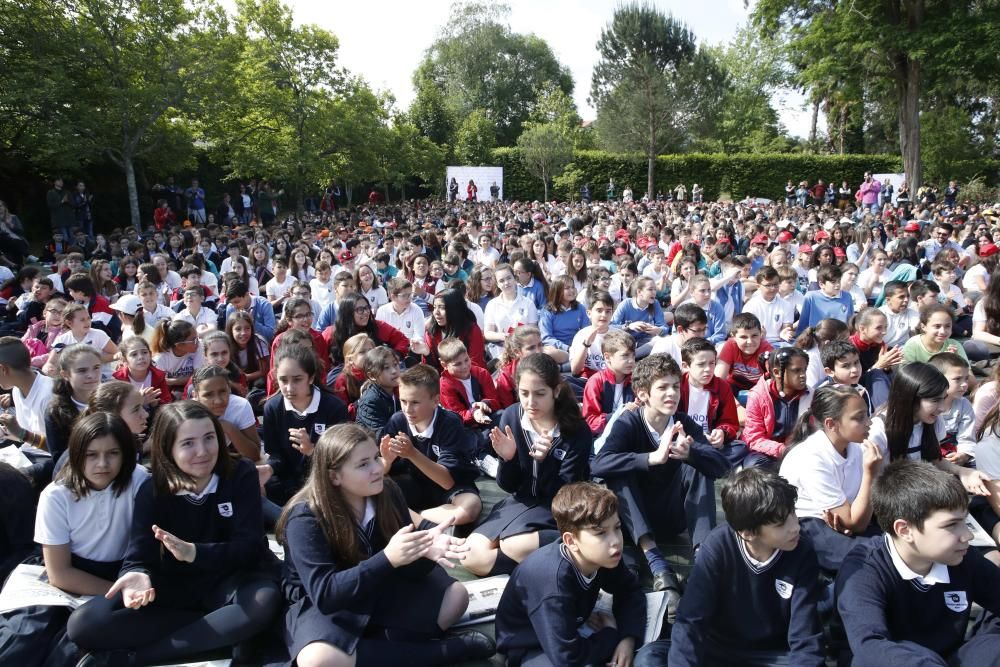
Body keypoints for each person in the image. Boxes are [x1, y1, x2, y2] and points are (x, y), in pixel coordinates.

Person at [67, 401, 281, 666]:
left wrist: (194, 552)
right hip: (176, 589)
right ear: (168, 447)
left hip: (234, 579)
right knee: (84, 624)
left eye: (209, 438)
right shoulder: (152, 490)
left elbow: (250, 547)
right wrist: (136, 576)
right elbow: (139, 554)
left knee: (263, 602)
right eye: (188, 443)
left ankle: (136, 658)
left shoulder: (240, 474)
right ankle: (221, 633)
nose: (202, 451)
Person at [277, 423, 495, 666]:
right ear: (333, 476)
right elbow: (326, 594)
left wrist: (424, 549)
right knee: (317, 660)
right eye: (363, 464)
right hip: (326, 603)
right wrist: (389, 558)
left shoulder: (386, 491)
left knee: (456, 596)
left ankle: (377, 651)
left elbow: (411, 571)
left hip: (379, 583)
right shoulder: (306, 517)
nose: (377, 468)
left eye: (374, 458)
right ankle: (442, 651)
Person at [636, 468, 824, 667]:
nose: (794, 526)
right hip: (715, 650)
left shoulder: (802, 551)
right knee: (650, 657)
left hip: (771, 655)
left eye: (793, 513)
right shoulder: (718, 546)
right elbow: (690, 621)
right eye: (780, 523)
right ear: (748, 533)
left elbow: (805, 636)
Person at [1, 414, 146, 666]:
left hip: (120, 574)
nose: (102, 463)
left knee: (72, 649)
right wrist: (119, 592)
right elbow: (60, 573)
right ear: (77, 453)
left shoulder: (140, 481)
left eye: (113, 453)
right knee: (21, 640)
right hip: (67, 574)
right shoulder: (57, 496)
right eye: (91, 454)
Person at [591, 354, 730, 615]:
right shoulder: (629, 422)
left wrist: (692, 454)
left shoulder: (683, 423)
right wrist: (650, 458)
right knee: (618, 473)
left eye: (675, 386)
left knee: (698, 465)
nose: (671, 393)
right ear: (643, 394)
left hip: (672, 517)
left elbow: (720, 467)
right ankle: (658, 565)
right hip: (637, 524)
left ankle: (703, 561)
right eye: (662, 388)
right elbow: (598, 464)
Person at [836, 460, 1000, 665]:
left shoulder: (963, 556)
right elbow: (869, 644)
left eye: (964, 522)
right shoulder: (864, 568)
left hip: (951, 657)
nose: (966, 535)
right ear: (905, 530)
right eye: (951, 525)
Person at [462, 353, 592, 576]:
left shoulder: (576, 430)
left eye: (540, 394)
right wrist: (508, 459)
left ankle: (579, 547)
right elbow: (509, 486)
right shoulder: (511, 417)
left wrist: (543, 461)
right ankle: (549, 565)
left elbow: (564, 494)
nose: (531, 402)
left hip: (556, 508)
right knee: (470, 555)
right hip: (520, 501)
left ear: (556, 391)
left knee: (514, 545)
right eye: (524, 394)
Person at [495, 482, 645, 667]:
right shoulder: (553, 585)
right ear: (571, 541)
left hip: (570, 629)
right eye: (600, 533)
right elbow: (567, 659)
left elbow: (630, 589)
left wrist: (627, 639)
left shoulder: (606, 556)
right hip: (529, 645)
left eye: (617, 527)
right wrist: (610, 635)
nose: (615, 541)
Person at [262, 344, 349, 505]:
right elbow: (275, 454)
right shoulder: (272, 408)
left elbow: (339, 459)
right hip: (287, 483)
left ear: (310, 377)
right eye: (283, 380)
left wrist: (311, 450)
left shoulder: (334, 407)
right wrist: (269, 469)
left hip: (324, 479)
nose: (289, 388)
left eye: (297, 379)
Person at [743, 347, 812, 469]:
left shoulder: (811, 395)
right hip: (767, 453)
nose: (803, 375)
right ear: (776, 372)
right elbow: (754, 438)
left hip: (801, 451)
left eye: (804, 370)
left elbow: (816, 432)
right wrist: (782, 450)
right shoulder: (758, 395)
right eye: (796, 371)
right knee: (754, 467)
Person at [678, 337, 744, 465]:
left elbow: (730, 422)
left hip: (710, 442)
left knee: (740, 448)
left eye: (712, 363)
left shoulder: (722, 386)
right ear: (686, 366)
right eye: (701, 364)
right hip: (684, 440)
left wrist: (722, 432)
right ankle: (710, 463)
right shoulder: (677, 385)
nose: (708, 369)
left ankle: (703, 461)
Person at [581, 329, 636, 435]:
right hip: (602, 437)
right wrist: (618, 414)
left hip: (630, 433)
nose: (631, 360)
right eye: (625, 355)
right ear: (607, 357)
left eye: (633, 355)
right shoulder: (596, 382)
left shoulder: (636, 380)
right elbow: (590, 422)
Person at [928, 353, 976, 465]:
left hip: (956, 456)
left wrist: (963, 455)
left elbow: (967, 437)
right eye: (957, 379)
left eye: (966, 378)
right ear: (938, 379)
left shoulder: (964, 404)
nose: (964, 384)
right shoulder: (925, 405)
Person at [355, 347, 401, 434]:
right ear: (372, 375)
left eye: (395, 364)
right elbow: (380, 436)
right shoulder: (370, 401)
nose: (394, 371)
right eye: (386, 368)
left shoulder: (401, 389)